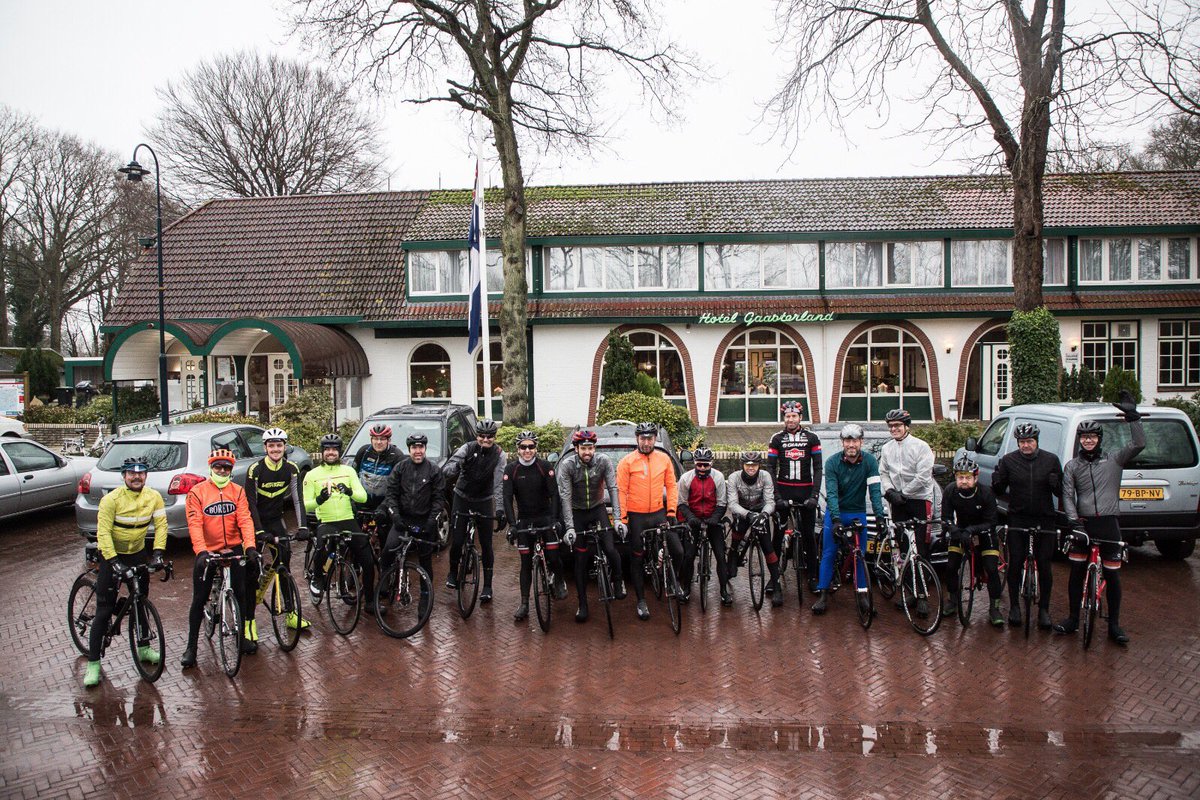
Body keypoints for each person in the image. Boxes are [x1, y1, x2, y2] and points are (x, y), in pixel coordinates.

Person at [1055, 392, 1146, 645]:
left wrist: (1133, 417)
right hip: (1082, 524)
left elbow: (1138, 444)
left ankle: (1114, 625)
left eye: (1092, 437)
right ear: (1079, 440)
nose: (1088, 441)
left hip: (1108, 523)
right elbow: (1068, 495)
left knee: (1113, 576)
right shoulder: (1072, 466)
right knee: (1076, 572)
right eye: (1084, 437)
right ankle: (1073, 619)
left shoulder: (1114, 459)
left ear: (1099, 439)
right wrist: (1073, 522)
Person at [84, 457, 168, 687]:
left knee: (141, 601)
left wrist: (158, 553)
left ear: (146, 476)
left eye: (141, 473)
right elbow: (103, 534)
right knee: (104, 609)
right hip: (112, 554)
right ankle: (93, 665)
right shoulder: (111, 500)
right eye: (131, 473)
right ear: (124, 476)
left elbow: (161, 526)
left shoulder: (154, 497)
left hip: (137, 552)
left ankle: (144, 649)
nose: (136, 476)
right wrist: (113, 561)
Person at [181, 449, 258, 668]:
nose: (222, 471)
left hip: (233, 547)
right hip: (207, 549)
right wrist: (201, 552)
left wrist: (250, 545)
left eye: (227, 468)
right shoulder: (197, 492)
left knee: (241, 592)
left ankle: (241, 638)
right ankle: (191, 647)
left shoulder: (238, 491)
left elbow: (245, 519)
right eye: (218, 467)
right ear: (211, 468)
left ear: (231, 470)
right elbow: (195, 524)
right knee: (199, 598)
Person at [992, 421, 1063, 630]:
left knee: (1044, 564)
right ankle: (1015, 606)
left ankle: (1044, 610)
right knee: (1015, 563)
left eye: (1029, 441)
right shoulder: (1008, 461)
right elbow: (998, 490)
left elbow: (1061, 491)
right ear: (1018, 443)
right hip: (1018, 518)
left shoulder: (1051, 460)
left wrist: (1055, 483)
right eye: (1022, 442)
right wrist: (997, 481)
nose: (1026, 446)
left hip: (1044, 518)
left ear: (1036, 442)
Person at [811, 424, 887, 617]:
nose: (851, 445)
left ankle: (862, 594)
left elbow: (875, 492)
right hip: (837, 513)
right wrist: (835, 519)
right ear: (842, 442)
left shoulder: (870, 462)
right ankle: (823, 593)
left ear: (861, 442)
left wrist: (879, 516)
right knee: (829, 551)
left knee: (860, 554)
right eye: (847, 441)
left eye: (854, 441)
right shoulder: (832, 462)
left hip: (858, 512)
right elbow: (832, 493)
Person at [244, 427, 310, 646]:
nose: (275, 449)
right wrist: (259, 531)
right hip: (256, 522)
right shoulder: (255, 469)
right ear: (265, 448)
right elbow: (250, 503)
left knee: (284, 563)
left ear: (284, 447)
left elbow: (298, 499)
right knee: (252, 568)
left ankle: (291, 613)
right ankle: (248, 620)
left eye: (279, 445)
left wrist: (302, 527)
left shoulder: (291, 468)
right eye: (271, 445)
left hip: (275, 520)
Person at [557, 428, 626, 623]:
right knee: (580, 559)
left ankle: (618, 581)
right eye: (583, 448)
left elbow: (613, 488)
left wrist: (618, 519)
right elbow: (566, 497)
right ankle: (582, 604)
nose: (587, 452)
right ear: (576, 448)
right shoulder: (567, 465)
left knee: (611, 548)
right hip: (578, 512)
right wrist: (570, 527)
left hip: (597, 508)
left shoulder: (603, 461)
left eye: (590, 448)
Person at [616, 421, 679, 621]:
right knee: (637, 556)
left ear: (654, 439)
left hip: (659, 513)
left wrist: (671, 511)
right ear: (637, 439)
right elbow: (621, 492)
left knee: (677, 549)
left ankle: (671, 581)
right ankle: (641, 600)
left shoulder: (664, 459)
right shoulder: (627, 462)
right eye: (642, 438)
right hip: (636, 516)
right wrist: (624, 518)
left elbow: (671, 485)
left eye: (649, 438)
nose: (646, 442)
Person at [503, 430, 566, 622]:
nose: (527, 450)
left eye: (531, 446)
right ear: (518, 449)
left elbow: (554, 495)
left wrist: (555, 520)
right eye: (523, 447)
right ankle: (524, 603)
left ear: (536, 448)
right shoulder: (511, 470)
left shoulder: (545, 466)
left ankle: (559, 580)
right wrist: (513, 525)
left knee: (554, 556)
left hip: (545, 518)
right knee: (525, 563)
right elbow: (507, 498)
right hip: (524, 520)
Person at [303, 434, 371, 609]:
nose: (331, 453)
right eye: (327, 449)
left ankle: (370, 601)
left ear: (339, 452)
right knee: (323, 545)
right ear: (322, 452)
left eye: (334, 449)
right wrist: (319, 500)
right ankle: (317, 578)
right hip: (326, 520)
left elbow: (363, 497)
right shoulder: (312, 475)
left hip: (347, 519)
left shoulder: (348, 471)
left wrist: (349, 491)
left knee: (368, 559)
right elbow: (305, 505)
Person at [443, 418, 507, 603]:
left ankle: (487, 586)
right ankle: (453, 573)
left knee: (487, 544)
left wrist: (501, 509)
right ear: (476, 435)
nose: (485, 440)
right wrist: (452, 468)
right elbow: (450, 465)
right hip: (462, 497)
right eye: (482, 436)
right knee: (457, 541)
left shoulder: (499, 455)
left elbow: (498, 485)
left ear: (494, 437)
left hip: (484, 500)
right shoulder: (467, 448)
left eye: (489, 437)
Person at [941, 456, 1004, 627]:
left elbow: (992, 521)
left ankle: (994, 608)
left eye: (968, 477)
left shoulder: (986, 493)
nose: (964, 481)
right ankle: (952, 600)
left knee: (991, 568)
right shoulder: (950, 491)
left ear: (975, 478)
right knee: (951, 566)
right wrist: (952, 529)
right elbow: (945, 518)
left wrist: (972, 530)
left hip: (984, 532)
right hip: (961, 531)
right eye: (960, 477)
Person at [379, 433, 446, 593]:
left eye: (421, 447)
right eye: (414, 447)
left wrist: (431, 522)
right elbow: (391, 494)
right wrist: (395, 515)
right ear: (409, 449)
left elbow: (439, 500)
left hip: (424, 522)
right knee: (388, 550)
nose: (418, 451)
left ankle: (425, 596)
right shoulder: (400, 468)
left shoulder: (434, 470)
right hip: (402, 520)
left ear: (425, 449)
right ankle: (384, 582)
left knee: (425, 561)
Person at [767, 400, 822, 591]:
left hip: (806, 492)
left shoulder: (812, 438)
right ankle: (773, 579)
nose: (790, 419)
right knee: (778, 535)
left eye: (794, 416)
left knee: (808, 536)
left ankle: (813, 577)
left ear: (800, 417)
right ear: (784, 418)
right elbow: (770, 469)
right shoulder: (776, 439)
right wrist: (776, 497)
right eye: (787, 416)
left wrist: (814, 495)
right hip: (783, 492)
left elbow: (818, 468)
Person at [726, 452, 784, 607]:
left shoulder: (765, 476)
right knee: (737, 534)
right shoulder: (734, 477)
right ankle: (732, 558)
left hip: (760, 511)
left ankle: (777, 587)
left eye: (754, 465)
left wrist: (764, 514)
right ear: (743, 466)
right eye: (748, 465)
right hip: (742, 511)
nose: (751, 468)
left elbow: (770, 500)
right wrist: (748, 515)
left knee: (768, 548)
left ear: (759, 466)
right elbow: (732, 503)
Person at [677, 447, 732, 606]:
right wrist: (691, 518)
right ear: (694, 463)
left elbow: (722, 502)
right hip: (693, 519)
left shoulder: (719, 477)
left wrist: (715, 518)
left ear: (711, 463)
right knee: (688, 556)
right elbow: (682, 502)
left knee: (721, 556)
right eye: (699, 465)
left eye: (706, 465)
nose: (702, 468)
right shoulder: (686, 478)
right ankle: (686, 589)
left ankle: (723, 592)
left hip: (713, 519)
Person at [879, 408, 936, 561]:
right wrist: (890, 491)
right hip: (897, 501)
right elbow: (883, 472)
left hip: (920, 499)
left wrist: (904, 493)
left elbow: (923, 476)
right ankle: (904, 581)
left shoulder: (921, 446)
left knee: (921, 544)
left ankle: (921, 578)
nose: (893, 429)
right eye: (890, 426)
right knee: (901, 543)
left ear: (906, 426)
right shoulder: (886, 448)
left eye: (897, 425)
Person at [353, 422, 405, 520]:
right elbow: (352, 477)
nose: (378, 442)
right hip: (362, 502)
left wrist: (384, 507)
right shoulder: (363, 452)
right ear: (371, 439)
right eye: (375, 438)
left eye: (382, 439)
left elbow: (397, 488)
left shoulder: (397, 456)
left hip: (385, 504)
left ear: (388, 440)